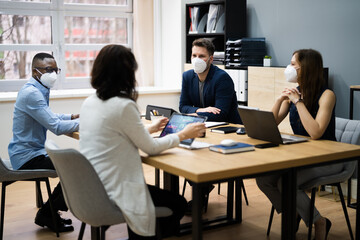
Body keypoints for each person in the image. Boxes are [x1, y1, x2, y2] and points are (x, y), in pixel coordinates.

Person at [79, 44, 206, 239]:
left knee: (167, 200)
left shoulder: (90, 102)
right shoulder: (123, 105)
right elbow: (151, 148)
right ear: (127, 73)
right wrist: (183, 134)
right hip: (117, 189)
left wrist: (149, 128)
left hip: (94, 185)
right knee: (178, 204)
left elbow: (114, 135)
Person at [256, 49, 339, 240]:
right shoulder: (295, 93)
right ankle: (296, 212)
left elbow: (316, 132)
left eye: (293, 64)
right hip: (302, 155)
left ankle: (319, 222)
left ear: (306, 68)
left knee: (286, 182)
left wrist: (298, 102)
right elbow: (272, 122)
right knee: (263, 179)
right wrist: (279, 100)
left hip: (328, 158)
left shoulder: (327, 95)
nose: (289, 68)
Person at [8, 53, 79, 232]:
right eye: (49, 70)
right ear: (35, 71)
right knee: (75, 166)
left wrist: (70, 117)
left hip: (30, 153)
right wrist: (90, 120)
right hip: (27, 158)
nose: (53, 73)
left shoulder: (37, 88)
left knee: (73, 163)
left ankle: (49, 212)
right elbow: (55, 126)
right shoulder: (32, 93)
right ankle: (48, 213)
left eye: (56, 70)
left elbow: (47, 116)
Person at [179, 38, 242, 124]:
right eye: (194, 55)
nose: (197, 60)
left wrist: (194, 115)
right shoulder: (187, 76)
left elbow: (221, 113)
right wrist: (201, 110)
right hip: (204, 124)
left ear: (211, 59)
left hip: (227, 127)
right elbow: (183, 107)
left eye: (201, 56)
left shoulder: (222, 78)